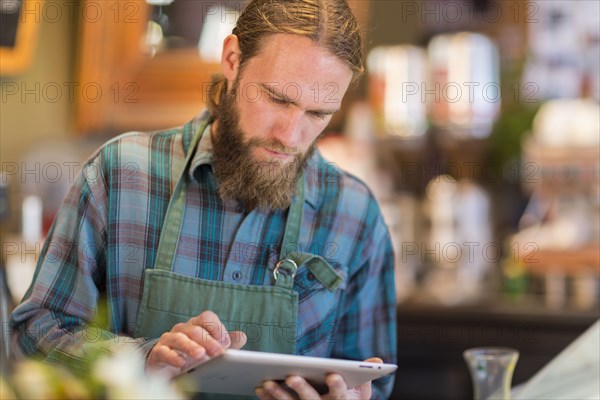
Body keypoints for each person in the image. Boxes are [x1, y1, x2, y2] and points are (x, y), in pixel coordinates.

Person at [9, 0, 397, 398]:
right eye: (277, 99)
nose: (289, 135)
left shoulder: (355, 214)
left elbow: (374, 380)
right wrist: (142, 362)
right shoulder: (122, 174)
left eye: (318, 114)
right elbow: (32, 335)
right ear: (232, 59)